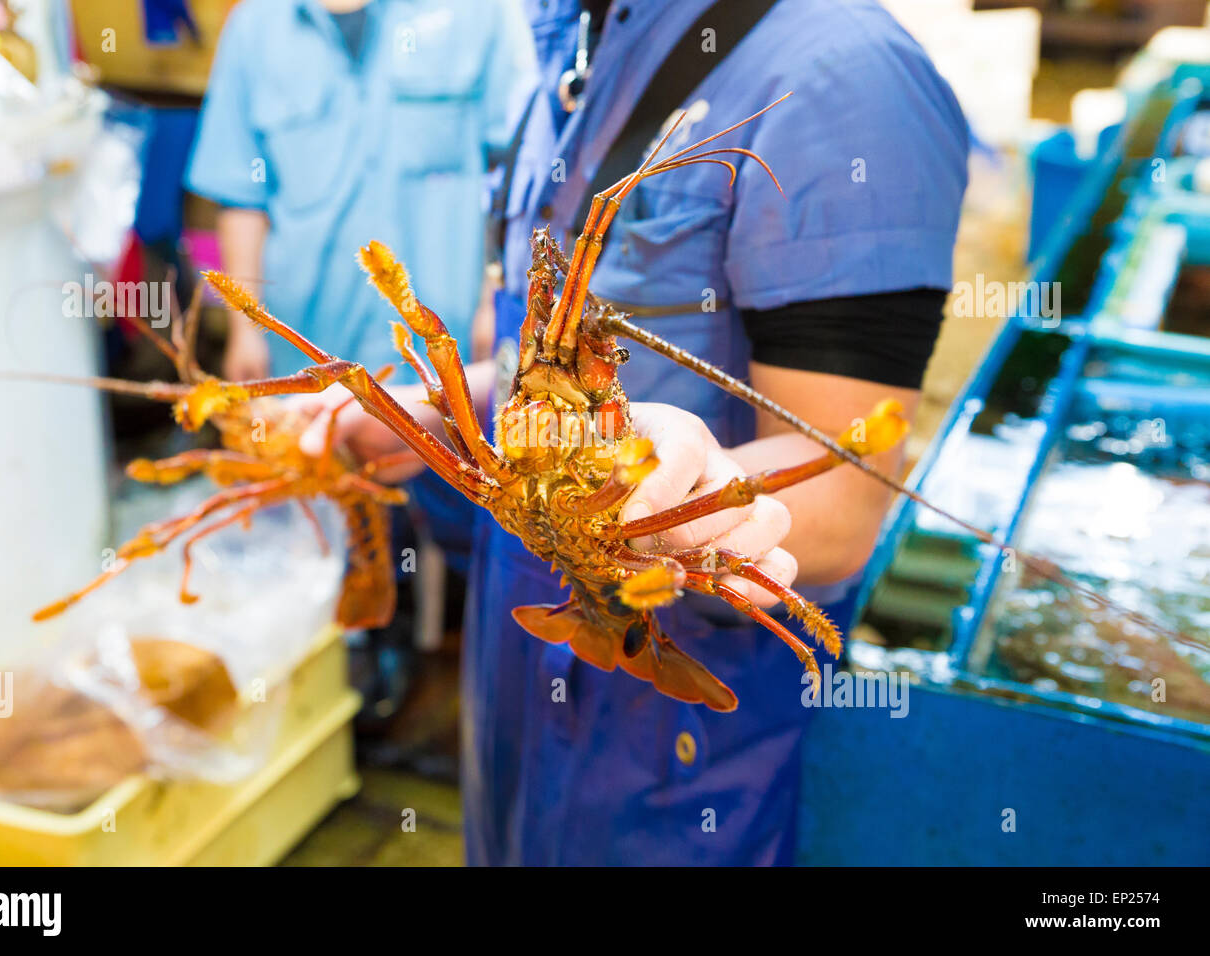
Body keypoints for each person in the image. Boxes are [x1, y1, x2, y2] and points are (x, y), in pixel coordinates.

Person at [297, 0, 970, 865]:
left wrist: (687, 480)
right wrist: (421, 414)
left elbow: (844, 498)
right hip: (514, 673)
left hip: (671, 721)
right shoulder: (568, 39)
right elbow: (525, 365)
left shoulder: (847, 74)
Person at [185, 0, 537, 381]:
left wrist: (495, 301)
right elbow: (243, 198)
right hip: (303, 357)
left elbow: (518, 166)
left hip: (451, 358)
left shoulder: (482, 12)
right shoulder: (254, 27)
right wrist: (244, 329)